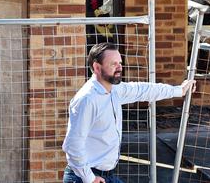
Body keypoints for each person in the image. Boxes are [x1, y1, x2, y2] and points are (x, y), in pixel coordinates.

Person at [62, 42, 197, 183]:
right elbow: (72, 145)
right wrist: (89, 178)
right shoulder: (87, 99)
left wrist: (179, 90)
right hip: (84, 177)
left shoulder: (115, 90)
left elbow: (143, 90)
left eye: (120, 63)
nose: (120, 67)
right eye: (113, 64)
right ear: (97, 67)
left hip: (105, 175)